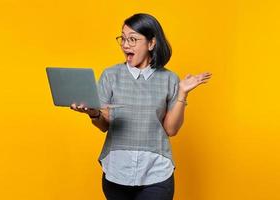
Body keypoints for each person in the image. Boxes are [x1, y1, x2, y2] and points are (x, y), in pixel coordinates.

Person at [70, 13, 212, 200]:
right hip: (117, 171)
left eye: (133, 39)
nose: (125, 44)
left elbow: (171, 129)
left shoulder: (169, 79)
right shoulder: (111, 75)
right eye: (123, 38)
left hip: (156, 171)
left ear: (151, 43)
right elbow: (104, 125)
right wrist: (94, 113)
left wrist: (182, 93)